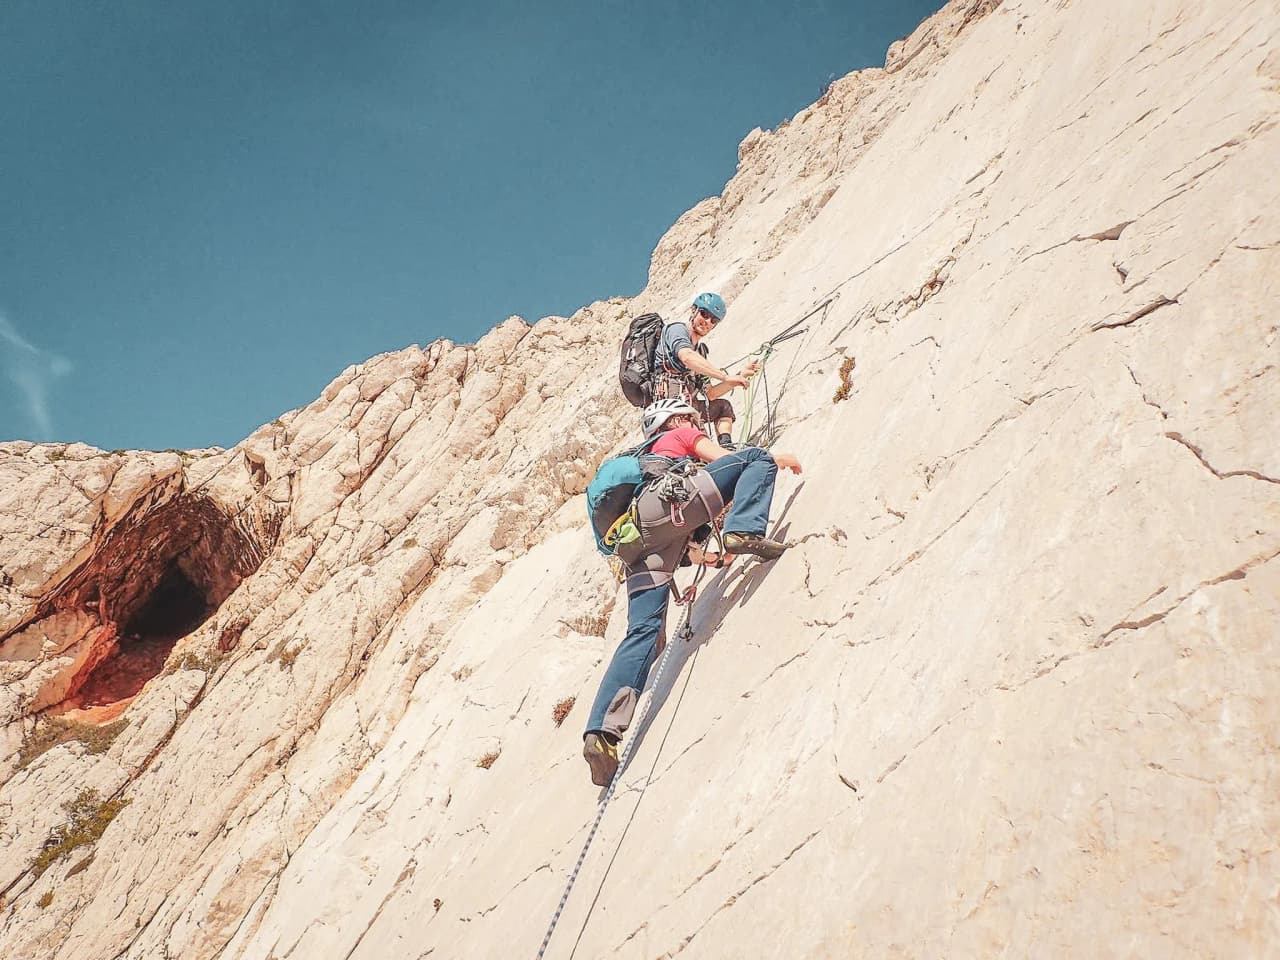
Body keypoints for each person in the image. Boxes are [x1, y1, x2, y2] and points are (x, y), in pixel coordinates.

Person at [582, 398, 803, 786]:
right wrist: (775, 458)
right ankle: (747, 529)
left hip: (640, 539)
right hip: (671, 505)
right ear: (675, 420)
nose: (694, 420)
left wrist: (716, 560)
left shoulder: (644, 462)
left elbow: (695, 549)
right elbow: (724, 458)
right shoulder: (681, 433)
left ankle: (602, 733)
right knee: (756, 458)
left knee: (644, 635)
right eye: (688, 416)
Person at [653, 292, 760, 448]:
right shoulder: (677, 330)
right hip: (669, 406)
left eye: (713, 320)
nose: (707, 322)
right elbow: (686, 356)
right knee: (698, 442)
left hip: (690, 406)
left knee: (723, 407)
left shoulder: (700, 353)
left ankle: (726, 447)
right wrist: (725, 377)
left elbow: (711, 393)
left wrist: (739, 376)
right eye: (704, 314)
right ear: (693, 310)